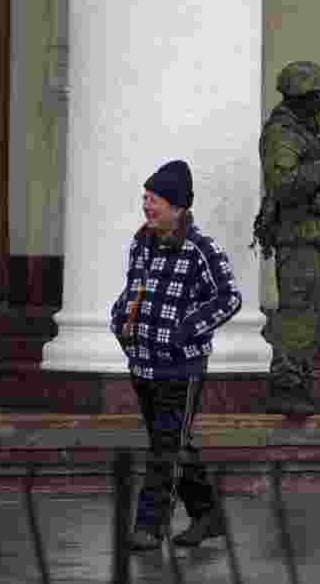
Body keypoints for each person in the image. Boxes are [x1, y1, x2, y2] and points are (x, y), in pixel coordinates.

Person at [109, 159, 242, 550]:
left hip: (182, 367)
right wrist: (120, 320)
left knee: (165, 448)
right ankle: (207, 515)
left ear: (178, 207)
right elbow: (133, 290)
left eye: (155, 200)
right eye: (145, 198)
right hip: (143, 363)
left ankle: (149, 526)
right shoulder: (140, 242)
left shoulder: (200, 249)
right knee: (174, 442)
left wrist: (184, 329)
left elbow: (229, 297)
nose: (147, 206)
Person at [257, 60, 320, 415]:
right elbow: (283, 185)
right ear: (299, 96)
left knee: (312, 315)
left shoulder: (309, 131)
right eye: (316, 96)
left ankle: (299, 380)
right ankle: (285, 384)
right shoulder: (283, 134)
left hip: (312, 234)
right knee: (297, 311)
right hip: (295, 234)